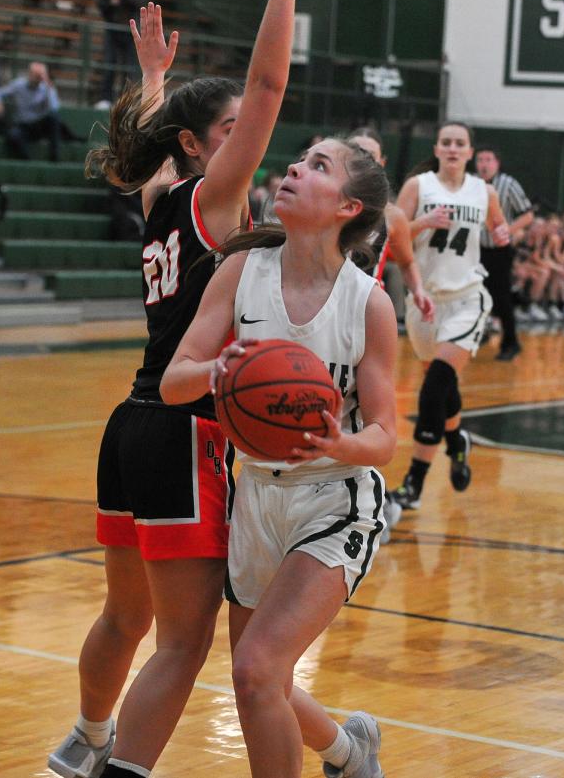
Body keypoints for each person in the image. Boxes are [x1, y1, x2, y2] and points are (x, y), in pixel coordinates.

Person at [47, 0, 298, 778]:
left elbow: (156, 146)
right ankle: (117, 765)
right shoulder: (214, 200)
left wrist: (153, 74)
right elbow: (266, 87)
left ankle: (86, 737)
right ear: (198, 148)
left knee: (125, 615)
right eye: (229, 136)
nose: (247, 144)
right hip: (187, 428)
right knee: (183, 642)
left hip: (131, 423)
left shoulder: (162, 202)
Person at [160, 135, 395, 777]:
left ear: (348, 206)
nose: (293, 167)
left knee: (257, 667)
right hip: (256, 495)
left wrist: (343, 444)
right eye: (300, 157)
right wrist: (216, 370)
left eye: (318, 165)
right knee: (260, 681)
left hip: (335, 497)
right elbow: (172, 382)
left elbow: (385, 438)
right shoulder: (242, 272)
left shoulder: (368, 303)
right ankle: (349, 754)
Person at [386, 122, 509, 511]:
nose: (453, 148)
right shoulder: (418, 186)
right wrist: (425, 222)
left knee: (436, 382)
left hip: (467, 298)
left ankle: (414, 484)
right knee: (441, 382)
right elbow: (394, 236)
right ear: (437, 149)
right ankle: (457, 441)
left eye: (460, 143)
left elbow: (499, 226)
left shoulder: (484, 191)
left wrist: (503, 232)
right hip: (425, 299)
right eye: (447, 142)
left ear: (470, 152)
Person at [348, 127, 435, 327]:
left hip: (366, 311)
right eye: (355, 152)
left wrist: (418, 290)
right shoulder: (321, 202)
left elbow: (406, 262)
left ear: (382, 162)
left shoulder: (392, 215)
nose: (362, 159)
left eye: (369, 155)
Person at [475, 146, 534, 360]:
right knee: (475, 294)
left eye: (488, 159)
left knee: (501, 296)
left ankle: (511, 342)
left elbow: (528, 215)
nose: (483, 164)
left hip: (500, 250)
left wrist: (507, 230)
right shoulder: (470, 183)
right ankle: (478, 333)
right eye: (480, 159)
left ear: (496, 163)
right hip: (476, 249)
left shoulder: (508, 184)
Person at [0, 62, 77, 162]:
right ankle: (27, 161)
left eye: (39, 75)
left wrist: (49, 88)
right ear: (29, 74)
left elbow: (54, 108)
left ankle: (55, 158)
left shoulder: (47, 87)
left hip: (40, 127)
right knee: (13, 136)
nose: (37, 77)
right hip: (24, 127)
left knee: (54, 118)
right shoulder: (18, 84)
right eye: (35, 74)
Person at [96, 0, 148, 109]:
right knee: (109, 64)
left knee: (129, 68)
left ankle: (126, 101)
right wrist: (111, 2)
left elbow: (140, 3)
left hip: (131, 33)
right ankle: (106, 99)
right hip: (112, 31)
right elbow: (101, 4)